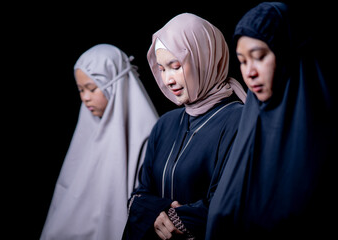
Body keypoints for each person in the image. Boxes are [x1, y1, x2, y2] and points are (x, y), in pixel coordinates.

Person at [205, 2, 337, 239]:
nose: (250, 72)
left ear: (287, 54)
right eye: (243, 61)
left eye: (259, 57)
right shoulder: (251, 122)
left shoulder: (322, 136)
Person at [122, 13, 247, 240]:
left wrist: (170, 218)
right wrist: (157, 211)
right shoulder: (165, 124)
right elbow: (139, 195)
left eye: (176, 66)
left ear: (204, 58)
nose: (168, 80)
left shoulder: (238, 121)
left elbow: (229, 205)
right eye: (162, 69)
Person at [40, 44, 159, 240]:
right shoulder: (87, 130)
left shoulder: (148, 135)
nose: (85, 98)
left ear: (115, 84)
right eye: (81, 90)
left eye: (92, 88)